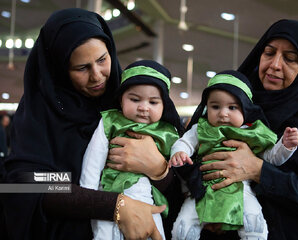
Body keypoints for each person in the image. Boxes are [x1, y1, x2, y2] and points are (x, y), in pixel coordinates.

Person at [0, 8, 176, 240]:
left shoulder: (131, 102)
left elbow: (182, 186)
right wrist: (113, 204)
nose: (97, 75)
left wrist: (159, 170)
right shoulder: (39, 113)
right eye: (81, 68)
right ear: (60, 70)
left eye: (102, 60)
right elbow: (23, 183)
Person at [197, 19, 298, 240]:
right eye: (269, 53)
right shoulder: (235, 104)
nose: (275, 64)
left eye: (290, 58)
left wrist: (259, 170)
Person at [170, 70, 298, 240]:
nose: (223, 113)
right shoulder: (200, 129)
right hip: (203, 189)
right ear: (205, 107)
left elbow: (270, 158)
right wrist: (179, 152)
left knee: (255, 226)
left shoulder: (252, 133)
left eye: (232, 107)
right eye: (215, 106)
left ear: (246, 109)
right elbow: (184, 142)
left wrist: (285, 146)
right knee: (183, 228)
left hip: (241, 191)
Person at [80, 59, 183, 239]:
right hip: (109, 192)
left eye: (153, 102)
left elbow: (178, 167)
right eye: (135, 99)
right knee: (103, 234)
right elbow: (94, 158)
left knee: (154, 231)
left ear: (164, 105)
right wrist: (88, 195)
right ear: (121, 100)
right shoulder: (111, 121)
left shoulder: (167, 131)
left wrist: (169, 163)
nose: (143, 107)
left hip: (147, 197)